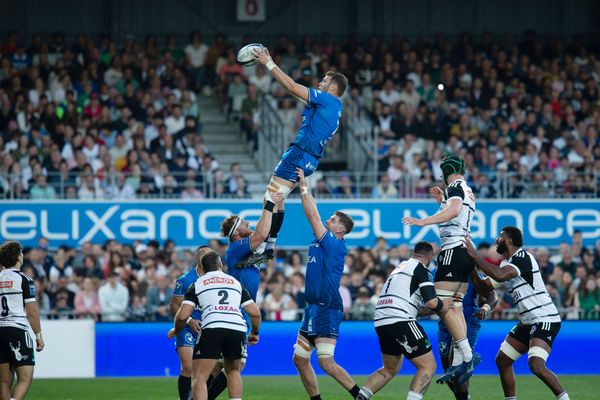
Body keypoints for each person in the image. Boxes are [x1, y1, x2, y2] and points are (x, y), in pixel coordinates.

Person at [249, 46, 348, 263]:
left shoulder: (326, 99)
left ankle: (259, 249)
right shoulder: (333, 107)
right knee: (279, 200)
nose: (319, 83)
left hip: (299, 153)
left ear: (333, 87)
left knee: (269, 199)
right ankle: (269, 247)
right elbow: (291, 90)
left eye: (323, 81)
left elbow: (292, 86)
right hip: (310, 159)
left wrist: (268, 62)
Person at [464, 226, 570, 400]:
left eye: (500, 236)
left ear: (509, 240)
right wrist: (470, 265)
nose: (497, 239)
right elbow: (483, 287)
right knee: (503, 360)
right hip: (528, 322)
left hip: (545, 318)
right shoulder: (506, 265)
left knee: (536, 364)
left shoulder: (522, 257)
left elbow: (499, 275)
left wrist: (475, 256)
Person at [402, 154, 480, 383]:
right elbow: (457, 212)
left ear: (446, 172)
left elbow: (454, 211)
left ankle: (467, 356)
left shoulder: (455, 186)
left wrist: (423, 221)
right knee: (455, 306)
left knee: (443, 306)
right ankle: (458, 364)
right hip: (465, 250)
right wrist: (442, 201)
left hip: (453, 250)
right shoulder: (465, 189)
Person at [293, 168, 360, 400]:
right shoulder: (322, 241)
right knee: (300, 359)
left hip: (327, 305)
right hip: (313, 306)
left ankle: (360, 395)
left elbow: (312, 216)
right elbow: (314, 217)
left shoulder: (334, 244)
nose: (327, 220)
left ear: (340, 229)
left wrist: (303, 186)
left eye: (332, 220)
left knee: (325, 361)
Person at [208, 191, 283, 398]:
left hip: (237, 311)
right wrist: (268, 205)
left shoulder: (242, 248)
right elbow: (260, 233)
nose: (247, 222)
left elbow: (268, 228)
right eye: (242, 222)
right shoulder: (236, 248)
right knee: (236, 366)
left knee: (221, 367)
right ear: (235, 233)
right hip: (238, 313)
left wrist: (275, 203)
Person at [356, 242, 451, 400]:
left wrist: (428, 310)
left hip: (381, 321)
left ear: (414, 253)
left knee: (389, 369)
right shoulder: (421, 269)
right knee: (428, 366)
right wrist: (443, 305)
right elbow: (432, 303)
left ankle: (361, 397)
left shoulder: (399, 268)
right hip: (400, 320)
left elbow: (410, 305)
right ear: (429, 256)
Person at [168, 251, 261, 400]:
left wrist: (176, 329)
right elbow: (255, 313)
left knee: (199, 378)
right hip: (237, 328)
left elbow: (183, 315)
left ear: (202, 269)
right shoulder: (234, 282)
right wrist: (254, 332)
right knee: (233, 372)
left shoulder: (198, 283)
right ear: (220, 265)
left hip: (212, 327)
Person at [437, 271, 498, 399]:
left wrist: (485, 308)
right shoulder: (437, 273)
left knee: (458, 369)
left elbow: (492, 295)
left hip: (468, 322)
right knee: (448, 370)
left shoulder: (472, 274)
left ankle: (469, 360)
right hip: (445, 324)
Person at [0, 241, 45, 400]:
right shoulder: (24, 279)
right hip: (17, 328)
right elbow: (32, 312)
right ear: (18, 257)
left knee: (4, 380)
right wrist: (38, 336)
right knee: (25, 377)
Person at [169, 245, 212, 400]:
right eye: (204, 254)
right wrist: (188, 320)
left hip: (208, 328)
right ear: (198, 259)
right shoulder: (185, 280)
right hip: (187, 327)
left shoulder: (216, 279)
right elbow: (174, 305)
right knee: (188, 367)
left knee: (209, 370)